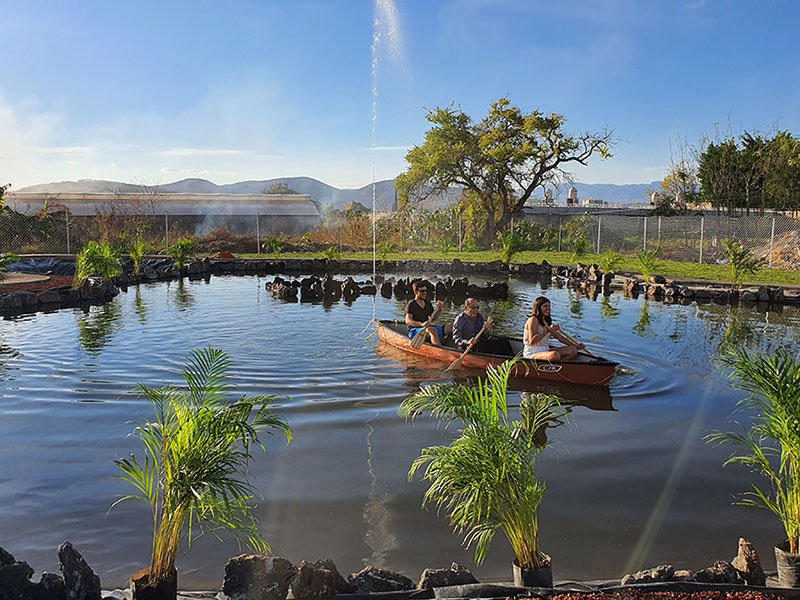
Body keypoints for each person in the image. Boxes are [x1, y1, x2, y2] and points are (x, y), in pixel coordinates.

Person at [523, 296, 585, 360]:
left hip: (545, 350)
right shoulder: (533, 319)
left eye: (549, 306)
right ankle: (556, 364)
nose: (548, 308)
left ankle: (561, 365)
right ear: (538, 308)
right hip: (532, 352)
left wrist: (576, 345)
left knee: (573, 350)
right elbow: (532, 341)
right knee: (554, 355)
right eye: (545, 306)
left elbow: (560, 338)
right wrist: (547, 330)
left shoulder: (546, 321)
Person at [405, 281, 450, 346]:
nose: (425, 293)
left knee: (450, 327)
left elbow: (433, 318)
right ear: (416, 292)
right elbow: (408, 321)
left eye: (425, 291)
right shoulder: (411, 304)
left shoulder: (427, 303)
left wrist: (439, 309)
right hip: (414, 330)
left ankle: (454, 347)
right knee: (431, 329)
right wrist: (421, 324)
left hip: (427, 328)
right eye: (422, 291)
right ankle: (439, 349)